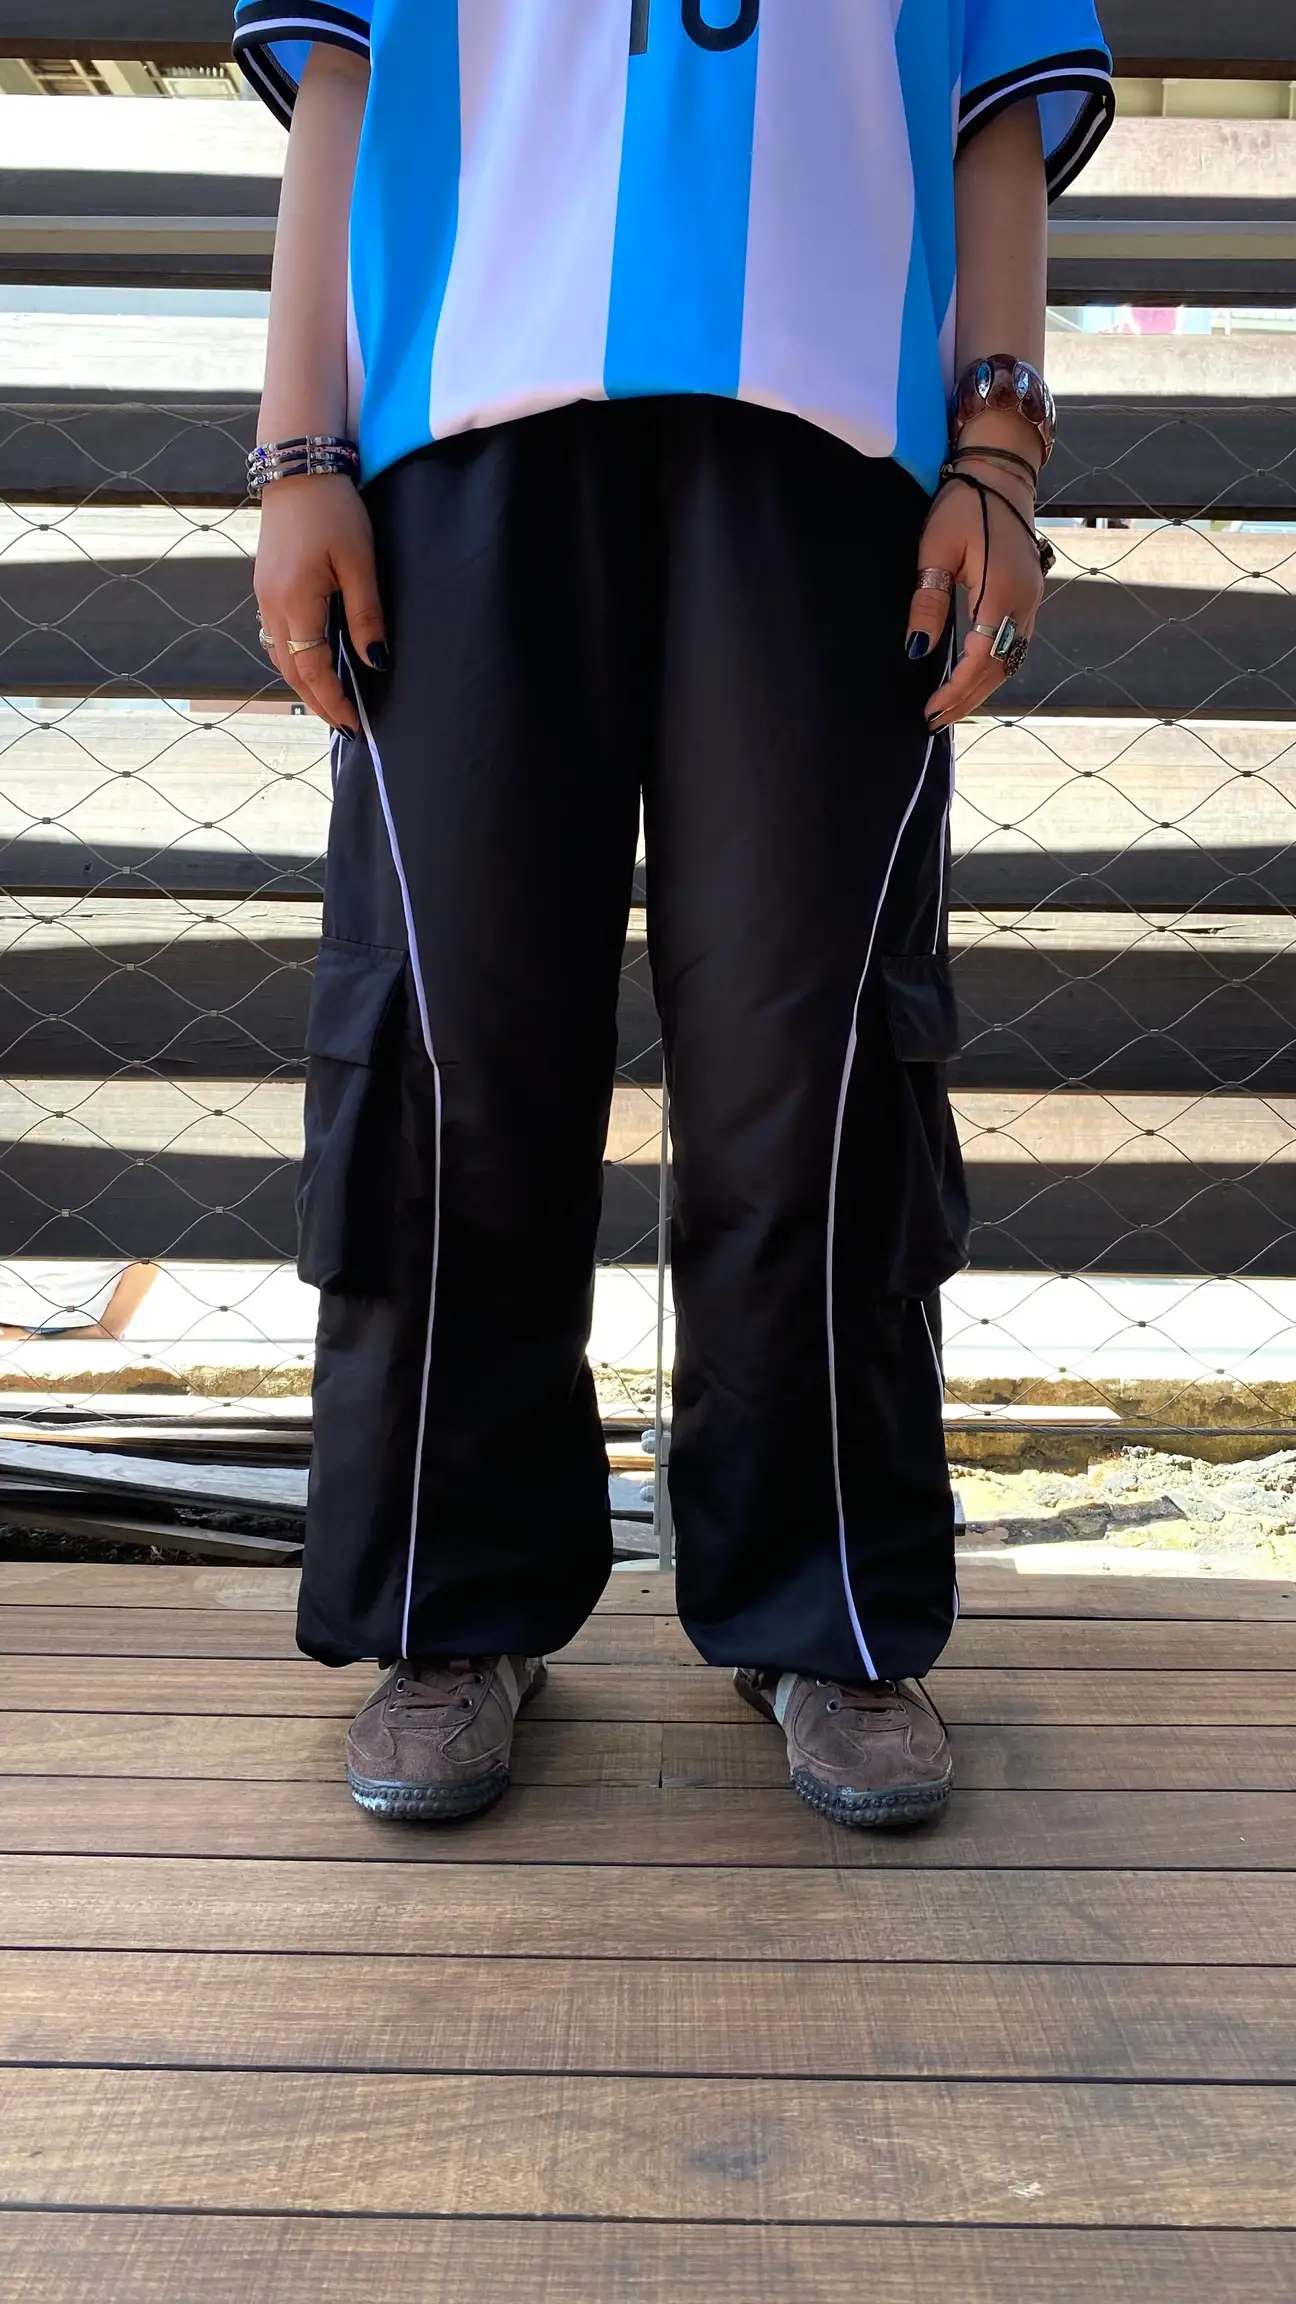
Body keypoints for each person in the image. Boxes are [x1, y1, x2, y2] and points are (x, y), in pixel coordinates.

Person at [234, 0, 1112, 1830]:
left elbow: (995, 95)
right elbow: (344, 70)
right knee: (454, 1044)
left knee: (816, 1059)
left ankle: (827, 1607)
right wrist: (298, 455)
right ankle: (451, 1605)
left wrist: (1002, 455)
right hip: (456, 436)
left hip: (836, 449)